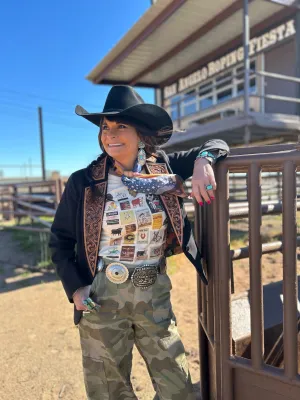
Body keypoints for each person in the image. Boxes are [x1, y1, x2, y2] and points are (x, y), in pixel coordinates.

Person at [49, 85, 229, 400]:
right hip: (102, 293)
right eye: (105, 127)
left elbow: (218, 143)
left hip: (153, 291)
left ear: (140, 134)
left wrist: (203, 161)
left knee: (178, 388)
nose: (110, 134)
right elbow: (60, 241)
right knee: (108, 389)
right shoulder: (84, 182)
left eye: (121, 126)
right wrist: (76, 288)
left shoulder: (166, 169)